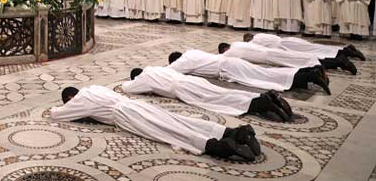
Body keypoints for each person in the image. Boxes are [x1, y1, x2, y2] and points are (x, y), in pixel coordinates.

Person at [51, 85, 260, 161]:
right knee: (177, 120)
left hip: (125, 114)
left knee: (167, 131)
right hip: (136, 104)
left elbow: (56, 115)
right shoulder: (95, 88)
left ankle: (216, 146)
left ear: (71, 98)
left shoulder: (79, 100)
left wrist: (62, 108)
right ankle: (232, 132)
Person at [125, 66, 293, 122]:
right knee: (222, 92)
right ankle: (262, 97)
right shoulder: (157, 69)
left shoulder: (143, 77)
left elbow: (128, 88)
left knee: (218, 100)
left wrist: (130, 81)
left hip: (183, 89)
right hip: (192, 81)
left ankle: (262, 103)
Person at [168, 49, 330, 94]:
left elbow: (168, 71)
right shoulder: (192, 52)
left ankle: (310, 76)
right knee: (265, 74)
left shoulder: (184, 60)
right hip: (231, 63)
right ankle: (308, 73)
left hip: (228, 68)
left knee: (265, 78)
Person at [218, 41, 355, 74]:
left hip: (269, 57)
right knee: (300, 57)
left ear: (224, 50)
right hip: (269, 52)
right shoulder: (238, 43)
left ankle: (338, 62)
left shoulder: (229, 52)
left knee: (300, 61)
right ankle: (337, 61)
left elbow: (222, 58)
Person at [243, 32, 365, 61]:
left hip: (286, 46)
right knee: (315, 47)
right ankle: (345, 50)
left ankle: (346, 51)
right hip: (288, 41)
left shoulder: (255, 40)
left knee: (315, 51)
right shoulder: (260, 35)